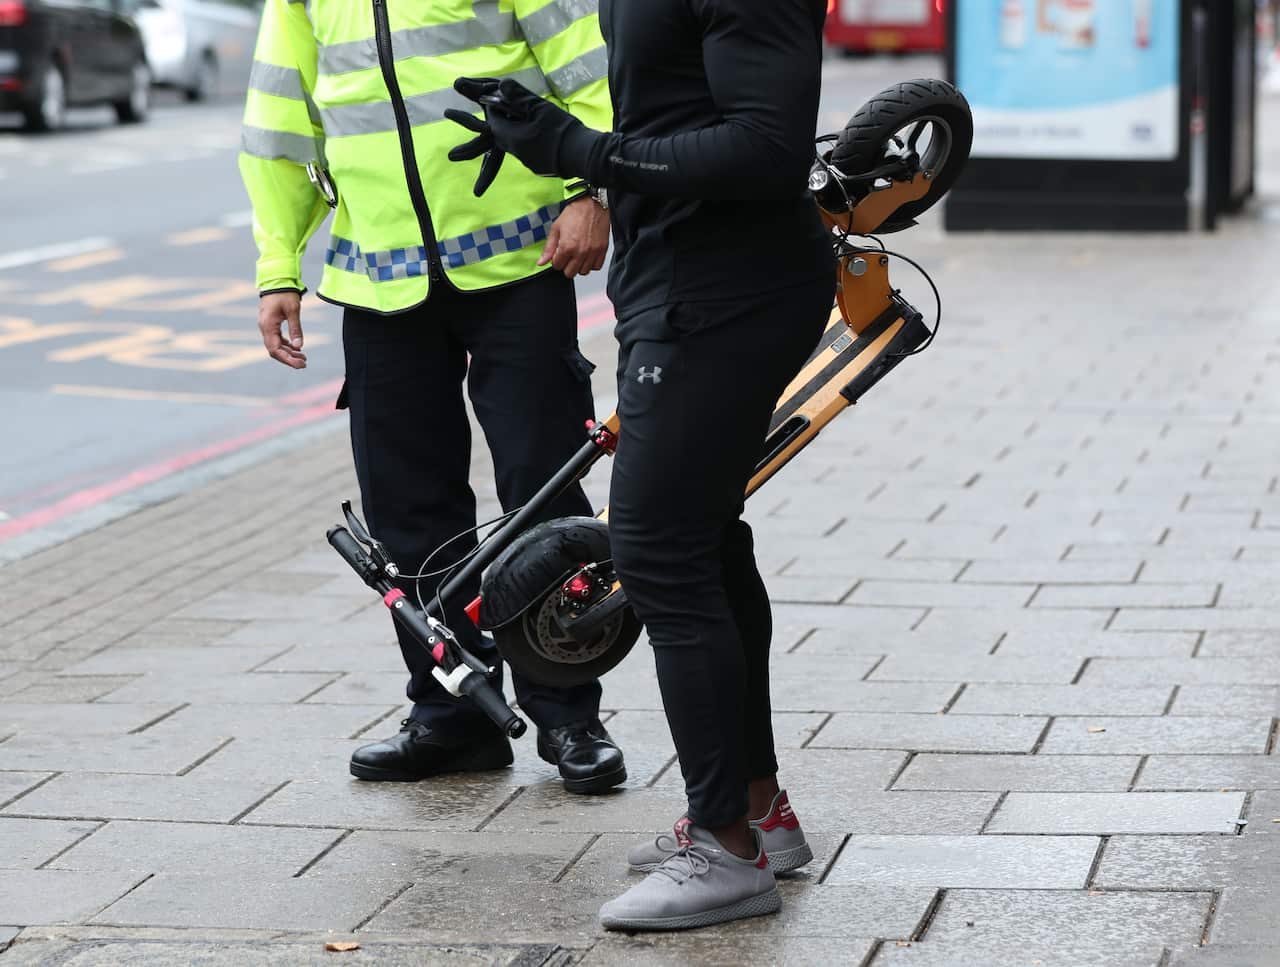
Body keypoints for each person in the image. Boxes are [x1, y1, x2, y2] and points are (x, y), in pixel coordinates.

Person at [448, 0, 835, 931]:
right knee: (701, 535)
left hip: (727, 291)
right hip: (681, 279)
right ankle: (755, 811)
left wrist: (584, 155)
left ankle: (724, 852)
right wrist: (556, 139)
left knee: (659, 551)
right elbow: (669, 109)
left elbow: (765, 147)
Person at [239, 0, 627, 794]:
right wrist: (279, 262)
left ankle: (566, 714)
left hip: (522, 257)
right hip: (376, 277)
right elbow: (283, 125)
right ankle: (453, 713)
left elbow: (589, 70)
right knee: (407, 507)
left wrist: (592, 186)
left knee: (543, 492)